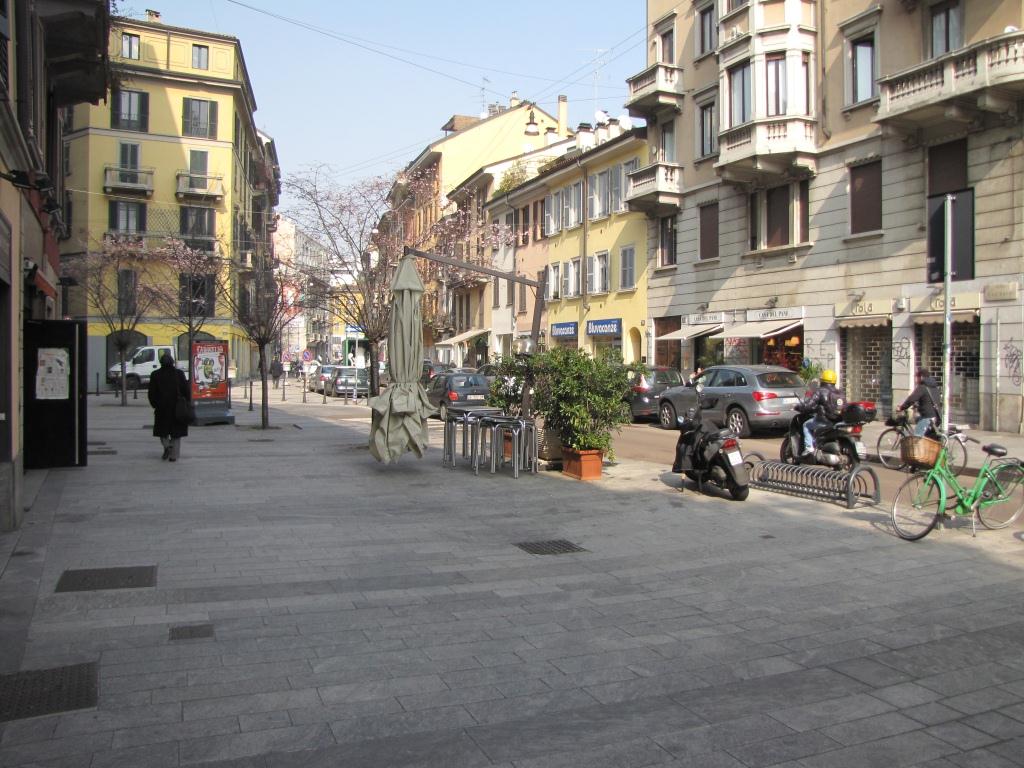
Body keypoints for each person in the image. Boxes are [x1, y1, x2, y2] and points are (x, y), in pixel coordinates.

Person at [147, 353, 190, 462]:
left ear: (161, 362)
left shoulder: (155, 374)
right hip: (177, 408)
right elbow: (186, 390)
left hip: (162, 408)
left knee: (163, 431)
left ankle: (167, 446)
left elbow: (151, 393)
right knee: (176, 433)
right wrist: (187, 402)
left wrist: (155, 404)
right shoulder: (179, 374)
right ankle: (173, 456)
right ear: (172, 362)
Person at [798, 368, 845, 455]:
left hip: (824, 421)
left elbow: (809, 405)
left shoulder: (820, 391)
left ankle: (809, 448)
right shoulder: (839, 392)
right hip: (838, 421)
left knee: (806, 425)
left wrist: (799, 407)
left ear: (822, 380)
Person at [899, 368, 941, 437]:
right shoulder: (934, 386)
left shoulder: (922, 387)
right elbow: (927, 399)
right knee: (918, 421)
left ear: (921, 377)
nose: (916, 380)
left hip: (927, 416)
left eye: (917, 377)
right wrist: (918, 405)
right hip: (935, 415)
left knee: (916, 438)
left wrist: (902, 407)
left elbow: (911, 399)